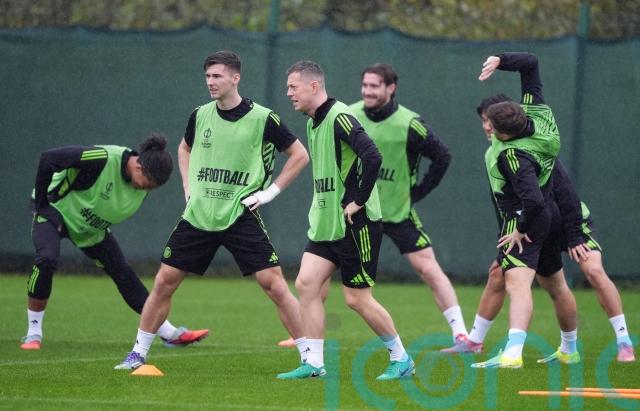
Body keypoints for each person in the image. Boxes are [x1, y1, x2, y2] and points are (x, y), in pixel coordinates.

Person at [114, 51, 309, 370]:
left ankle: (310, 357)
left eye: (217, 76)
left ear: (235, 78)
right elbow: (184, 148)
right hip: (199, 215)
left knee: (273, 284)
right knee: (164, 282)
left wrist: (270, 192)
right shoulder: (200, 115)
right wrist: (188, 187)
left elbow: (299, 154)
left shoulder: (264, 118)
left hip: (240, 213)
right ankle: (137, 353)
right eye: (207, 76)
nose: (210, 82)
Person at [443, 94, 635, 363]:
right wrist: (508, 235)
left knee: (592, 270)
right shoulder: (495, 153)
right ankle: (561, 350)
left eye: (490, 121)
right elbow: (504, 201)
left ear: (506, 124)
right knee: (532, 280)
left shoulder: (529, 150)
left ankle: (624, 342)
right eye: (483, 120)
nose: (486, 126)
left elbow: (565, 191)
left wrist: (574, 234)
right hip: (535, 222)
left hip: (567, 218)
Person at [276, 60, 414, 380]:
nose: (289, 94)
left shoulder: (340, 117)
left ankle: (401, 358)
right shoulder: (313, 123)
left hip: (356, 223)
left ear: (314, 86)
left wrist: (358, 200)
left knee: (357, 299)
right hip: (327, 222)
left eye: (293, 87)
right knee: (307, 284)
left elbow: (372, 155)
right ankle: (314, 363)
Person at [23, 134, 208, 350]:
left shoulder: (142, 185)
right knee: (46, 259)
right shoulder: (101, 158)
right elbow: (48, 159)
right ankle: (33, 332)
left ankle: (168, 333)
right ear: (138, 167)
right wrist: (42, 205)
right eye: (147, 184)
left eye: (152, 188)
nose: (146, 190)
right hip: (56, 213)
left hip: (90, 230)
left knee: (124, 274)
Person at [467, 52, 567, 369]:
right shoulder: (540, 115)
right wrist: (501, 60)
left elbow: (532, 201)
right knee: (554, 284)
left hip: (524, 220)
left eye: (491, 124)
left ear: (504, 133)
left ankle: (512, 354)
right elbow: (531, 63)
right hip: (547, 214)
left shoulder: (512, 156)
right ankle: (570, 348)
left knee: (518, 285)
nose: (488, 128)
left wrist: (519, 230)